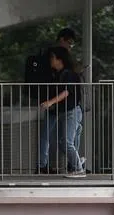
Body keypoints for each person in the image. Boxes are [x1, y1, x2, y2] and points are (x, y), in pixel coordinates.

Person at [34, 27, 78, 173]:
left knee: (66, 139)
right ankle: (74, 165)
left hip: (62, 105)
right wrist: (50, 101)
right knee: (63, 139)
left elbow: (67, 89)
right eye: (69, 42)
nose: (70, 46)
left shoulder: (65, 71)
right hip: (59, 105)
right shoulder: (55, 61)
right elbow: (66, 90)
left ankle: (74, 164)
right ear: (62, 40)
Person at [40, 47, 84, 177]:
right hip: (66, 112)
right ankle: (77, 163)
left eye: (52, 57)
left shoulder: (68, 74)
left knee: (66, 142)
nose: (50, 60)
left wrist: (50, 102)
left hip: (72, 112)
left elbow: (66, 92)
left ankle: (78, 168)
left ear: (59, 59)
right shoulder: (59, 74)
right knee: (65, 142)